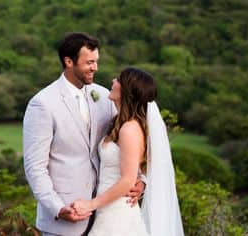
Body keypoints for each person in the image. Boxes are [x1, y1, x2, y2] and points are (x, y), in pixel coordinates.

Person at [23, 32, 145, 235]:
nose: (95, 68)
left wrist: (140, 181)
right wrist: (58, 208)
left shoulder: (105, 97)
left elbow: (128, 143)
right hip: (65, 218)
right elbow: (35, 167)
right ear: (69, 61)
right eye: (89, 62)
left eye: (96, 61)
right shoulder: (43, 104)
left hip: (106, 215)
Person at [72, 67, 184, 236]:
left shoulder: (129, 129)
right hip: (109, 210)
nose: (112, 81)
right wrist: (142, 180)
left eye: (118, 80)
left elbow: (126, 181)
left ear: (127, 90)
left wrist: (91, 204)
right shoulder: (119, 123)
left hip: (117, 214)